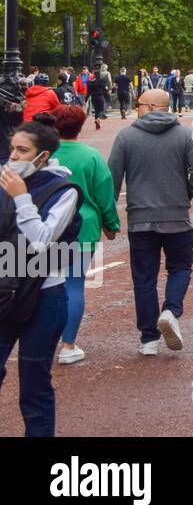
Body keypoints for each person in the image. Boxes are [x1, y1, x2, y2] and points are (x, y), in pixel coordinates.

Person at [107, 88, 193, 355]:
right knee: (180, 267)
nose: (135, 107)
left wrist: (108, 217)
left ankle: (149, 339)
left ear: (151, 106)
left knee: (144, 279)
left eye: (138, 104)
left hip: (140, 219)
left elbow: (113, 180)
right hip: (177, 217)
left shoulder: (126, 136)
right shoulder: (185, 134)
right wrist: (186, 193)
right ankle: (171, 310)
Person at [0, 118, 83, 435]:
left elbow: (41, 240)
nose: (14, 156)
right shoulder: (3, 180)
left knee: (34, 387)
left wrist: (21, 197)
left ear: (43, 156)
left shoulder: (64, 190)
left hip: (45, 294)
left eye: (23, 150)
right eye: (12, 149)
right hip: (5, 288)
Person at [35, 108, 118, 367]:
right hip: (82, 229)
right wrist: (111, 224)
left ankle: (39, 339)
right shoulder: (91, 156)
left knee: (40, 286)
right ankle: (68, 344)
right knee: (73, 285)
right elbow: (105, 193)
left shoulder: (42, 155)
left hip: (43, 228)